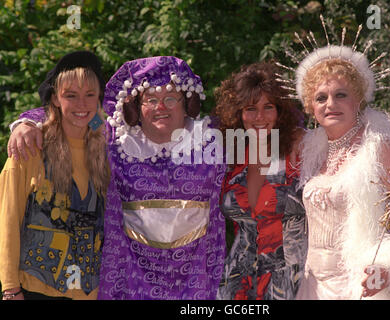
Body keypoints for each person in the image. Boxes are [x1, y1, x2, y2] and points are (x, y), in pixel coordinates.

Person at [6, 56, 227, 300]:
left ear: (187, 102)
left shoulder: (213, 138)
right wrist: (26, 122)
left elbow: (257, 124)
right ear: (136, 107)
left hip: (198, 275)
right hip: (132, 278)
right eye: (151, 99)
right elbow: (73, 113)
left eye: (170, 98)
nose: (160, 107)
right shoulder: (115, 136)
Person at [283, 20, 390, 299]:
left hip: (361, 285)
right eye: (321, 98)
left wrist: (385, 266)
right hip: (312, 285)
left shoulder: (380, 150)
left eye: (340, 95)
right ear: (310, 107)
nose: (330, 104)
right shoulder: (312, 153)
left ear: (358, 100)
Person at [0, 51, 109, 300]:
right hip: (35, 291)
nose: (82, 105)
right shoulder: (29, 148)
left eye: (90, 95)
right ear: (56, 99)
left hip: (91, 293)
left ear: (98, 99)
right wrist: (10, 288)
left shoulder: (105, 150)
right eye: (71, 95)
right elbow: (7, 220)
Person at [212, 61, 307, 300]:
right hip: (236, 281)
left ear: (281, 111)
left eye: (268, 107)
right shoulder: (232, 160)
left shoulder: (300, 151)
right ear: (239, 113)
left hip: (291, 280)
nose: (260, 117)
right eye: (250, 108)